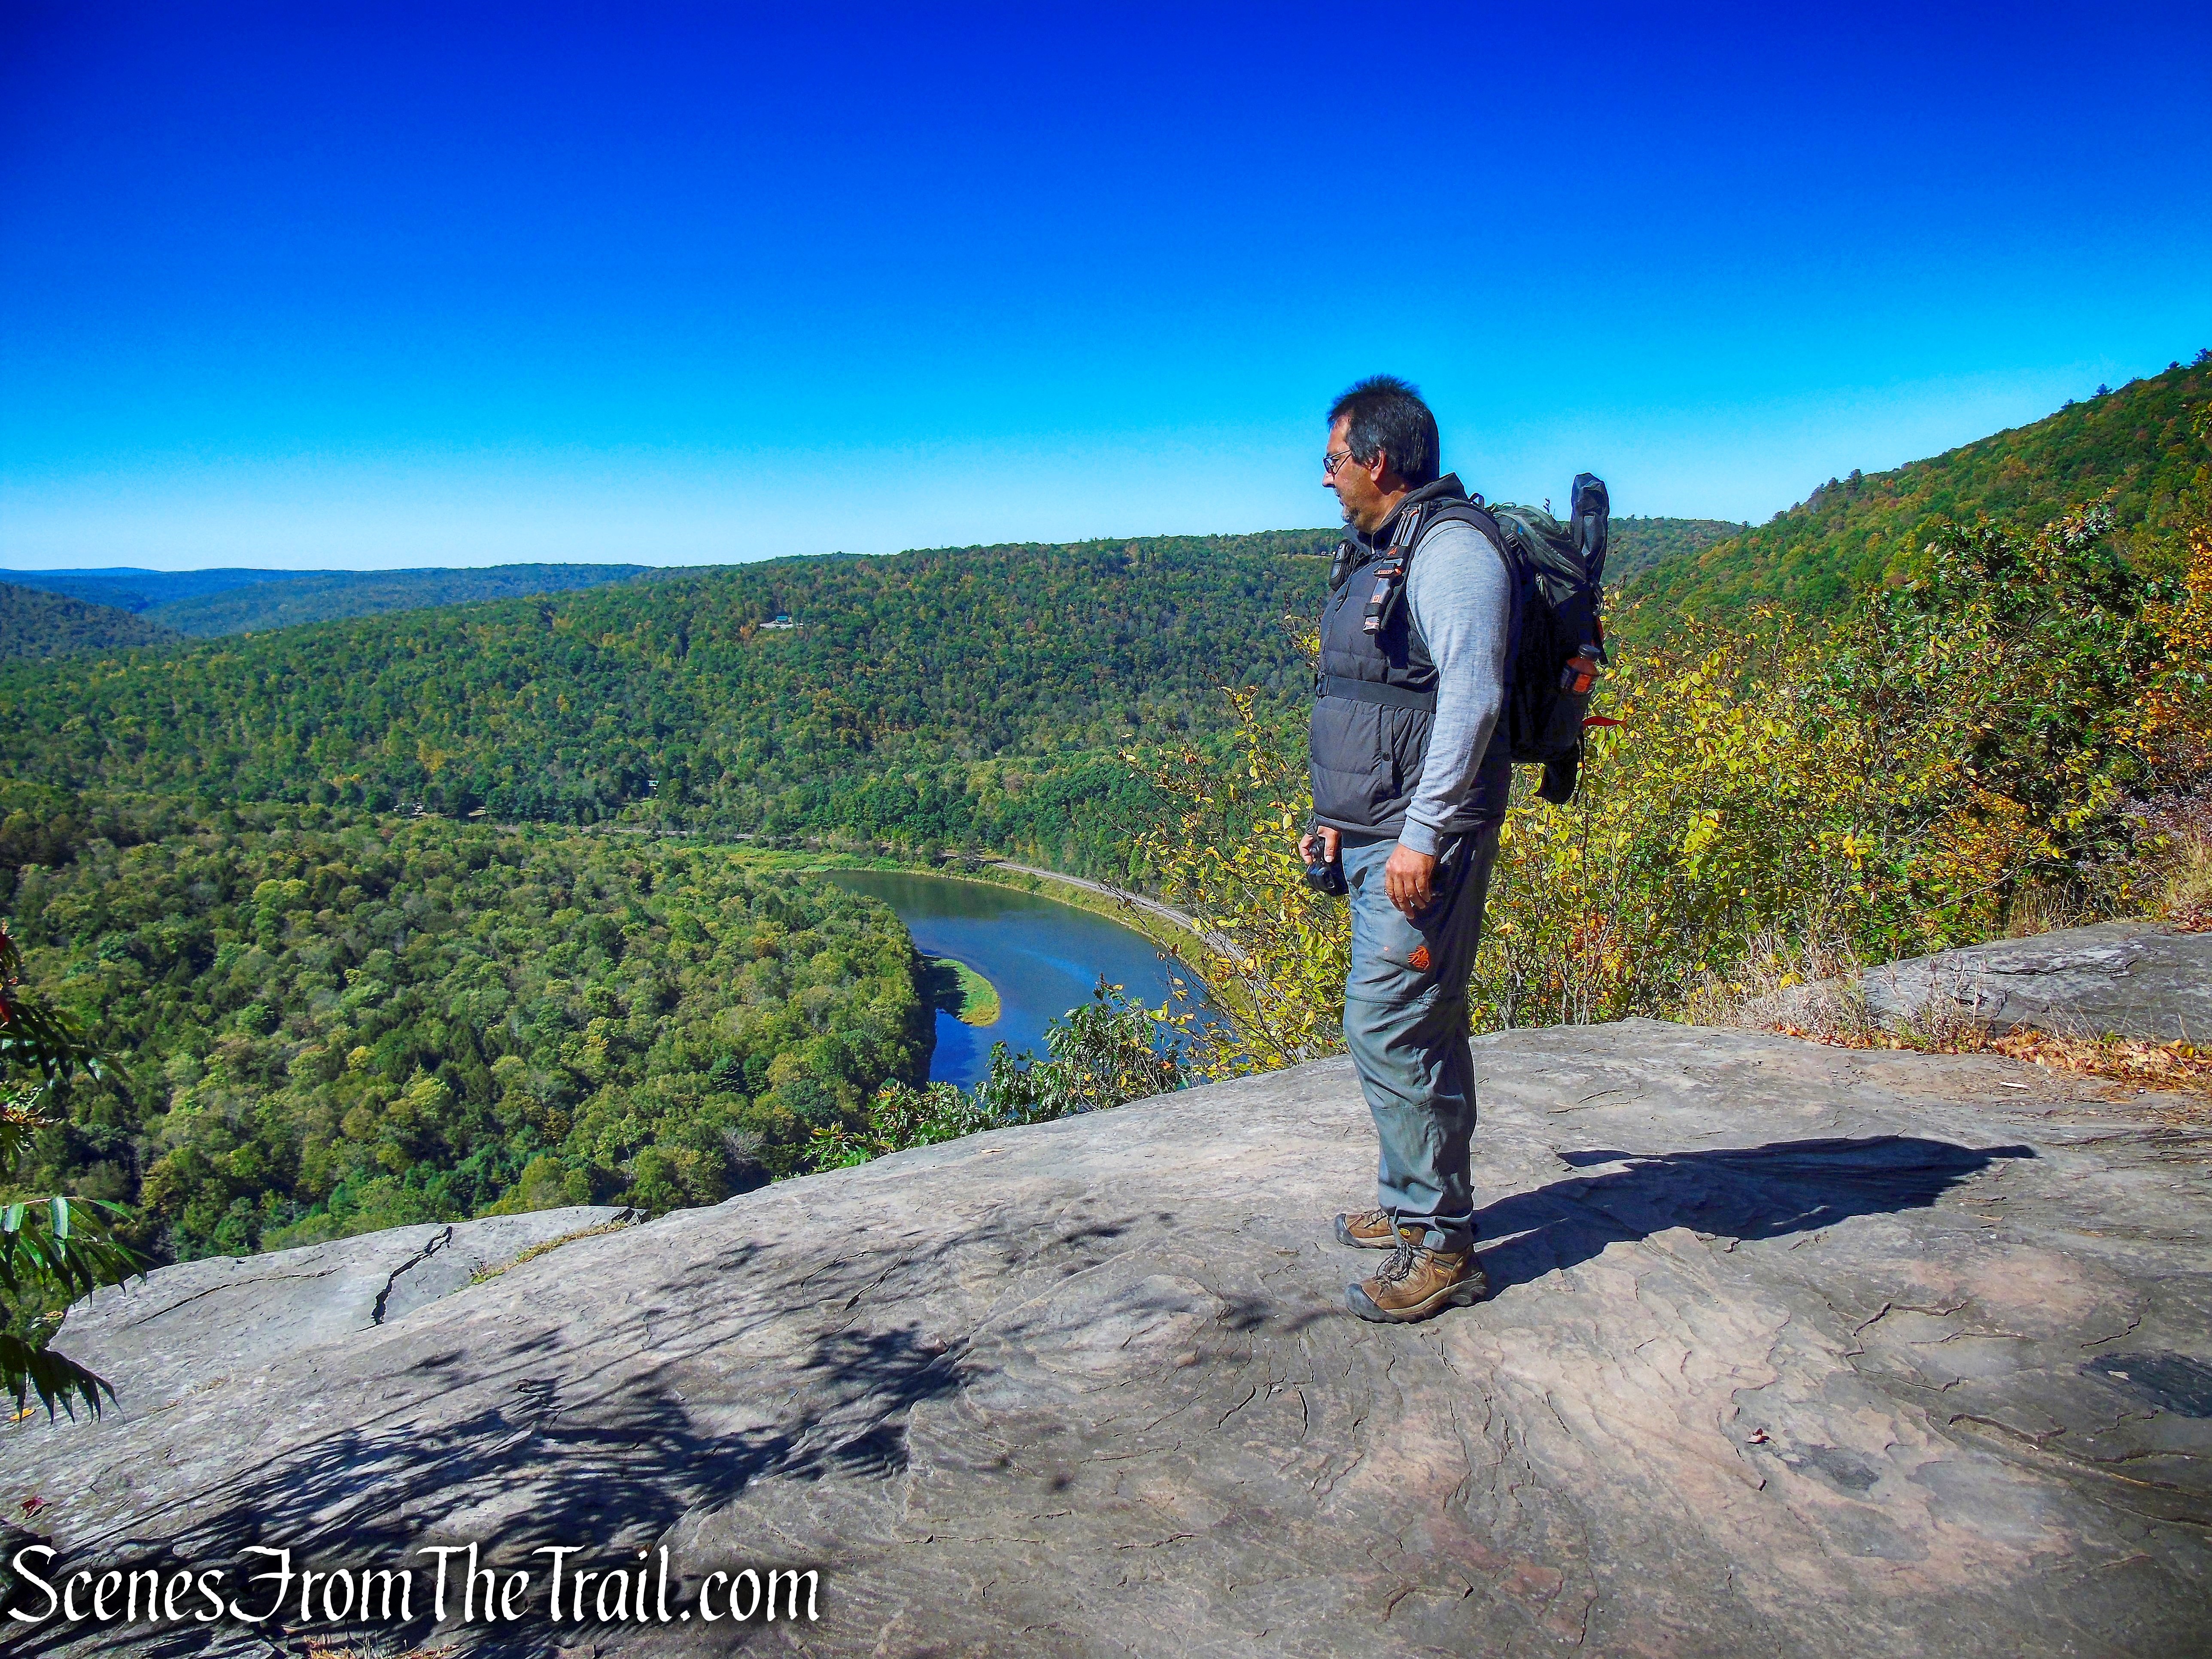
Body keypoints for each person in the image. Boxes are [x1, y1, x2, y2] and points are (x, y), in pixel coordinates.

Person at [1297, 375, 1512, 1323]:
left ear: (1377, 460)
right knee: (1418, 1025)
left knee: (1387, 1027)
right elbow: (1370, 703)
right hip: (1373, 833)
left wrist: (1422, 836)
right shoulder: (1381, 550)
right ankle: (1413, 1203)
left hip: (1420, 843)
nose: (1325, 477)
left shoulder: (1451, 549)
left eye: (1333, 460)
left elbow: (1472, 697)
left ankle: (1441, 1247)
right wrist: (1335, 819)